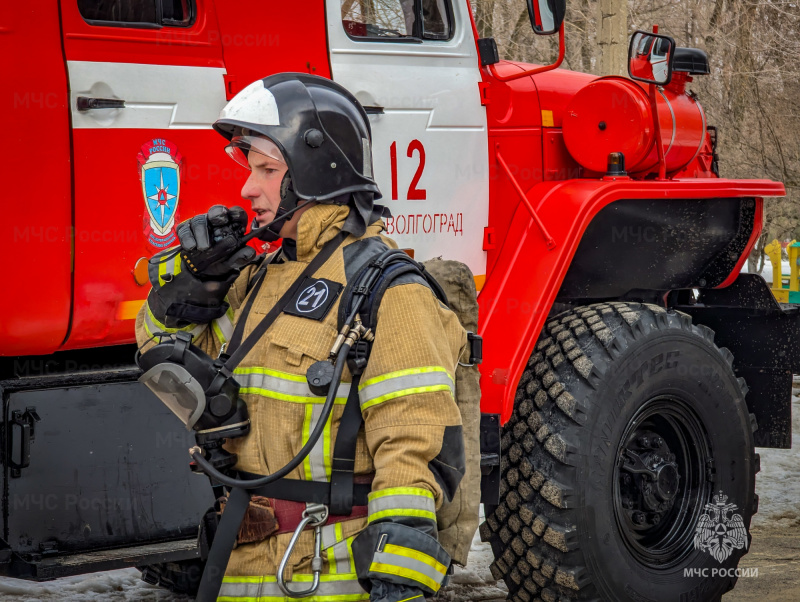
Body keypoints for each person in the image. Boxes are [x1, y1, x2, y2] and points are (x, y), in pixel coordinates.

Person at [135, 73, 468, 602]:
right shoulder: (259, 279)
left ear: (316, 171)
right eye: (250, 170)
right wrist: (196, 285)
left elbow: (411, 443)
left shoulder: (389, 290)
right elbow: (160, 355)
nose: (247, 189)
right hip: (242, 572)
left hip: (328, 578)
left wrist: (397, 579)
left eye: (267, 170)